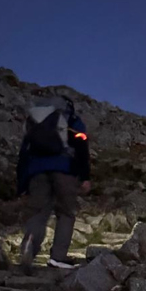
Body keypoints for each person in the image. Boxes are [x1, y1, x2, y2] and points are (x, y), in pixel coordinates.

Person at [16, 96, 91, 273]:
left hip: (36, 171)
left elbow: (23, 155)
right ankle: (58, 258)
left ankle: (29, 246)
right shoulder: (71, 120)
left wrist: (22, 185)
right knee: (66, 213)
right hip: (63, 170)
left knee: (39, 213)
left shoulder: (34, 123)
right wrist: (85, 176)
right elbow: (81, 146)